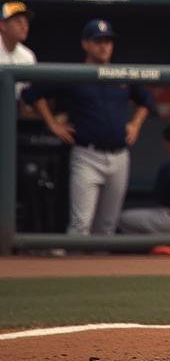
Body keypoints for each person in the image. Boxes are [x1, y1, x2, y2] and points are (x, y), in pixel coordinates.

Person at [23, 19, 155, 236]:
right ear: (86, 44)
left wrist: (135, 124)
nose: (104, 46)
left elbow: (146, 101)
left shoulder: (122, 74)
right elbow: (32, 94)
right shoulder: (74, 74)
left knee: (107, 227)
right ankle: (73, 269)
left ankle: (102, 270)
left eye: (108, 42)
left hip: (120, 156)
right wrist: (51, 123)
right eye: (98, 41)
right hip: (86, 155)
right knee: (80, 225)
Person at [0, 0, 36, 107]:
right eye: (18, 21)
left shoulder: (28, 55)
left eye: (26, 22)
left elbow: (26, 94)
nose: (24, 26)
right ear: (2, 25)